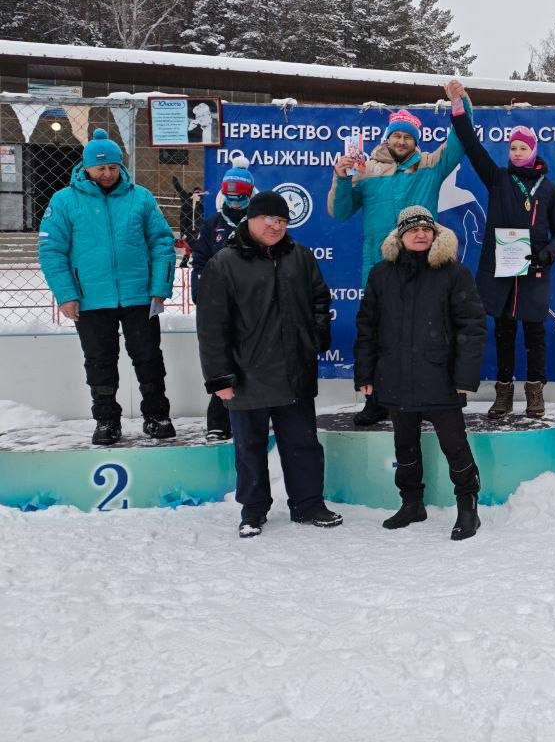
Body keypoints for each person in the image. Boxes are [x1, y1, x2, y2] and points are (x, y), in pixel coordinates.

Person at [196, 190, 343, 538]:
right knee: (249, 449)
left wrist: (315, 338)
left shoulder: (301, 257)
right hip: (246, 375)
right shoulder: (224, 263)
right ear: (251, 219)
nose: (275, 226)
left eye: (281, 220)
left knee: (303, 445)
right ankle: (253, 510)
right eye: (268, 219)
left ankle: (308, 505)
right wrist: (220, 377)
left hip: (294, 373)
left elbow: (320, 300)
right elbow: (212, 325)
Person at [328, 98, 473, 425]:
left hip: (424, 266)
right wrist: (341, 178)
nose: (402, 141)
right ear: (388, 137)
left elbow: (460, 140)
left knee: (428, 330)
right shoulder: (365, 170)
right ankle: (376, 400)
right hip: (378, 265)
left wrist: (460, 102)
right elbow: (340, 212)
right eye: (397, 135)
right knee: (379, 332)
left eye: (408, 137)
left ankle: (428, 400)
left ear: (415, 141)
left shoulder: (431, 165)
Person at [355, 206, 487, 540]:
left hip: (440, 378)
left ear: (435, 234)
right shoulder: (381, 274)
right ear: (399, 236)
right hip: (395, 377)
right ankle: (412, 504)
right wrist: (365, 374)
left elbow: (472, 328)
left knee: (455, 446)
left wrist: (464, 378)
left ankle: (468, 508)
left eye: (427, 228)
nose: (420, 233)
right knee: (405, 447)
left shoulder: (454, 273)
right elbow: (367, 327)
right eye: (413, 229)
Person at [38, 128, 175, 446]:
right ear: (86, 168)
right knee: (100, 361)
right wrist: (66, 294)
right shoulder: (64, 201)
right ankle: (106, 420)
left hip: (139, 296)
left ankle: (156, 416)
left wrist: (159, 287)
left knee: (148, 358)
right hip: (90, 298)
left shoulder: (141, 197)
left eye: (113, 166)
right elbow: (51, 250)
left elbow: (162, 242)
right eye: (100, 168)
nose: (108, 173)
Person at [446, 79, 555, 420]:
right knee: (502, 333)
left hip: (535, 272)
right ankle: (503, 394)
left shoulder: (549, 189)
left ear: (532, 151)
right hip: (501, 271)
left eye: (522, 148)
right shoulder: (498, 178)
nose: (516, 153)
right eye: (512, 148)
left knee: (534, 334)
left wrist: (549, 253)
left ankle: (535, 392)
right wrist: (458, 106)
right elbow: (472, 145)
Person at [190, 155, 255, 441]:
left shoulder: (258, 223)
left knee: (251, 361)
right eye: (231, 195)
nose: (236, 201)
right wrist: (201, 294)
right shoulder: (213, 224)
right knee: (222, 361)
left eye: (241, 196)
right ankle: (218, 421)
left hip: (250, 304)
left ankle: (251, 418)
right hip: (220, 305)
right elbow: (200, 261)